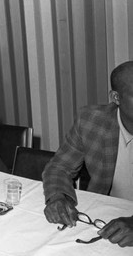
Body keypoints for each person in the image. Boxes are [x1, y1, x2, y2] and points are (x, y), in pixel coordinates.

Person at [42, 61, 133, 247]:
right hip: (105, 220)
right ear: (116, 97)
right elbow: (59, 168)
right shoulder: (92, 121)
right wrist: (58, 197)